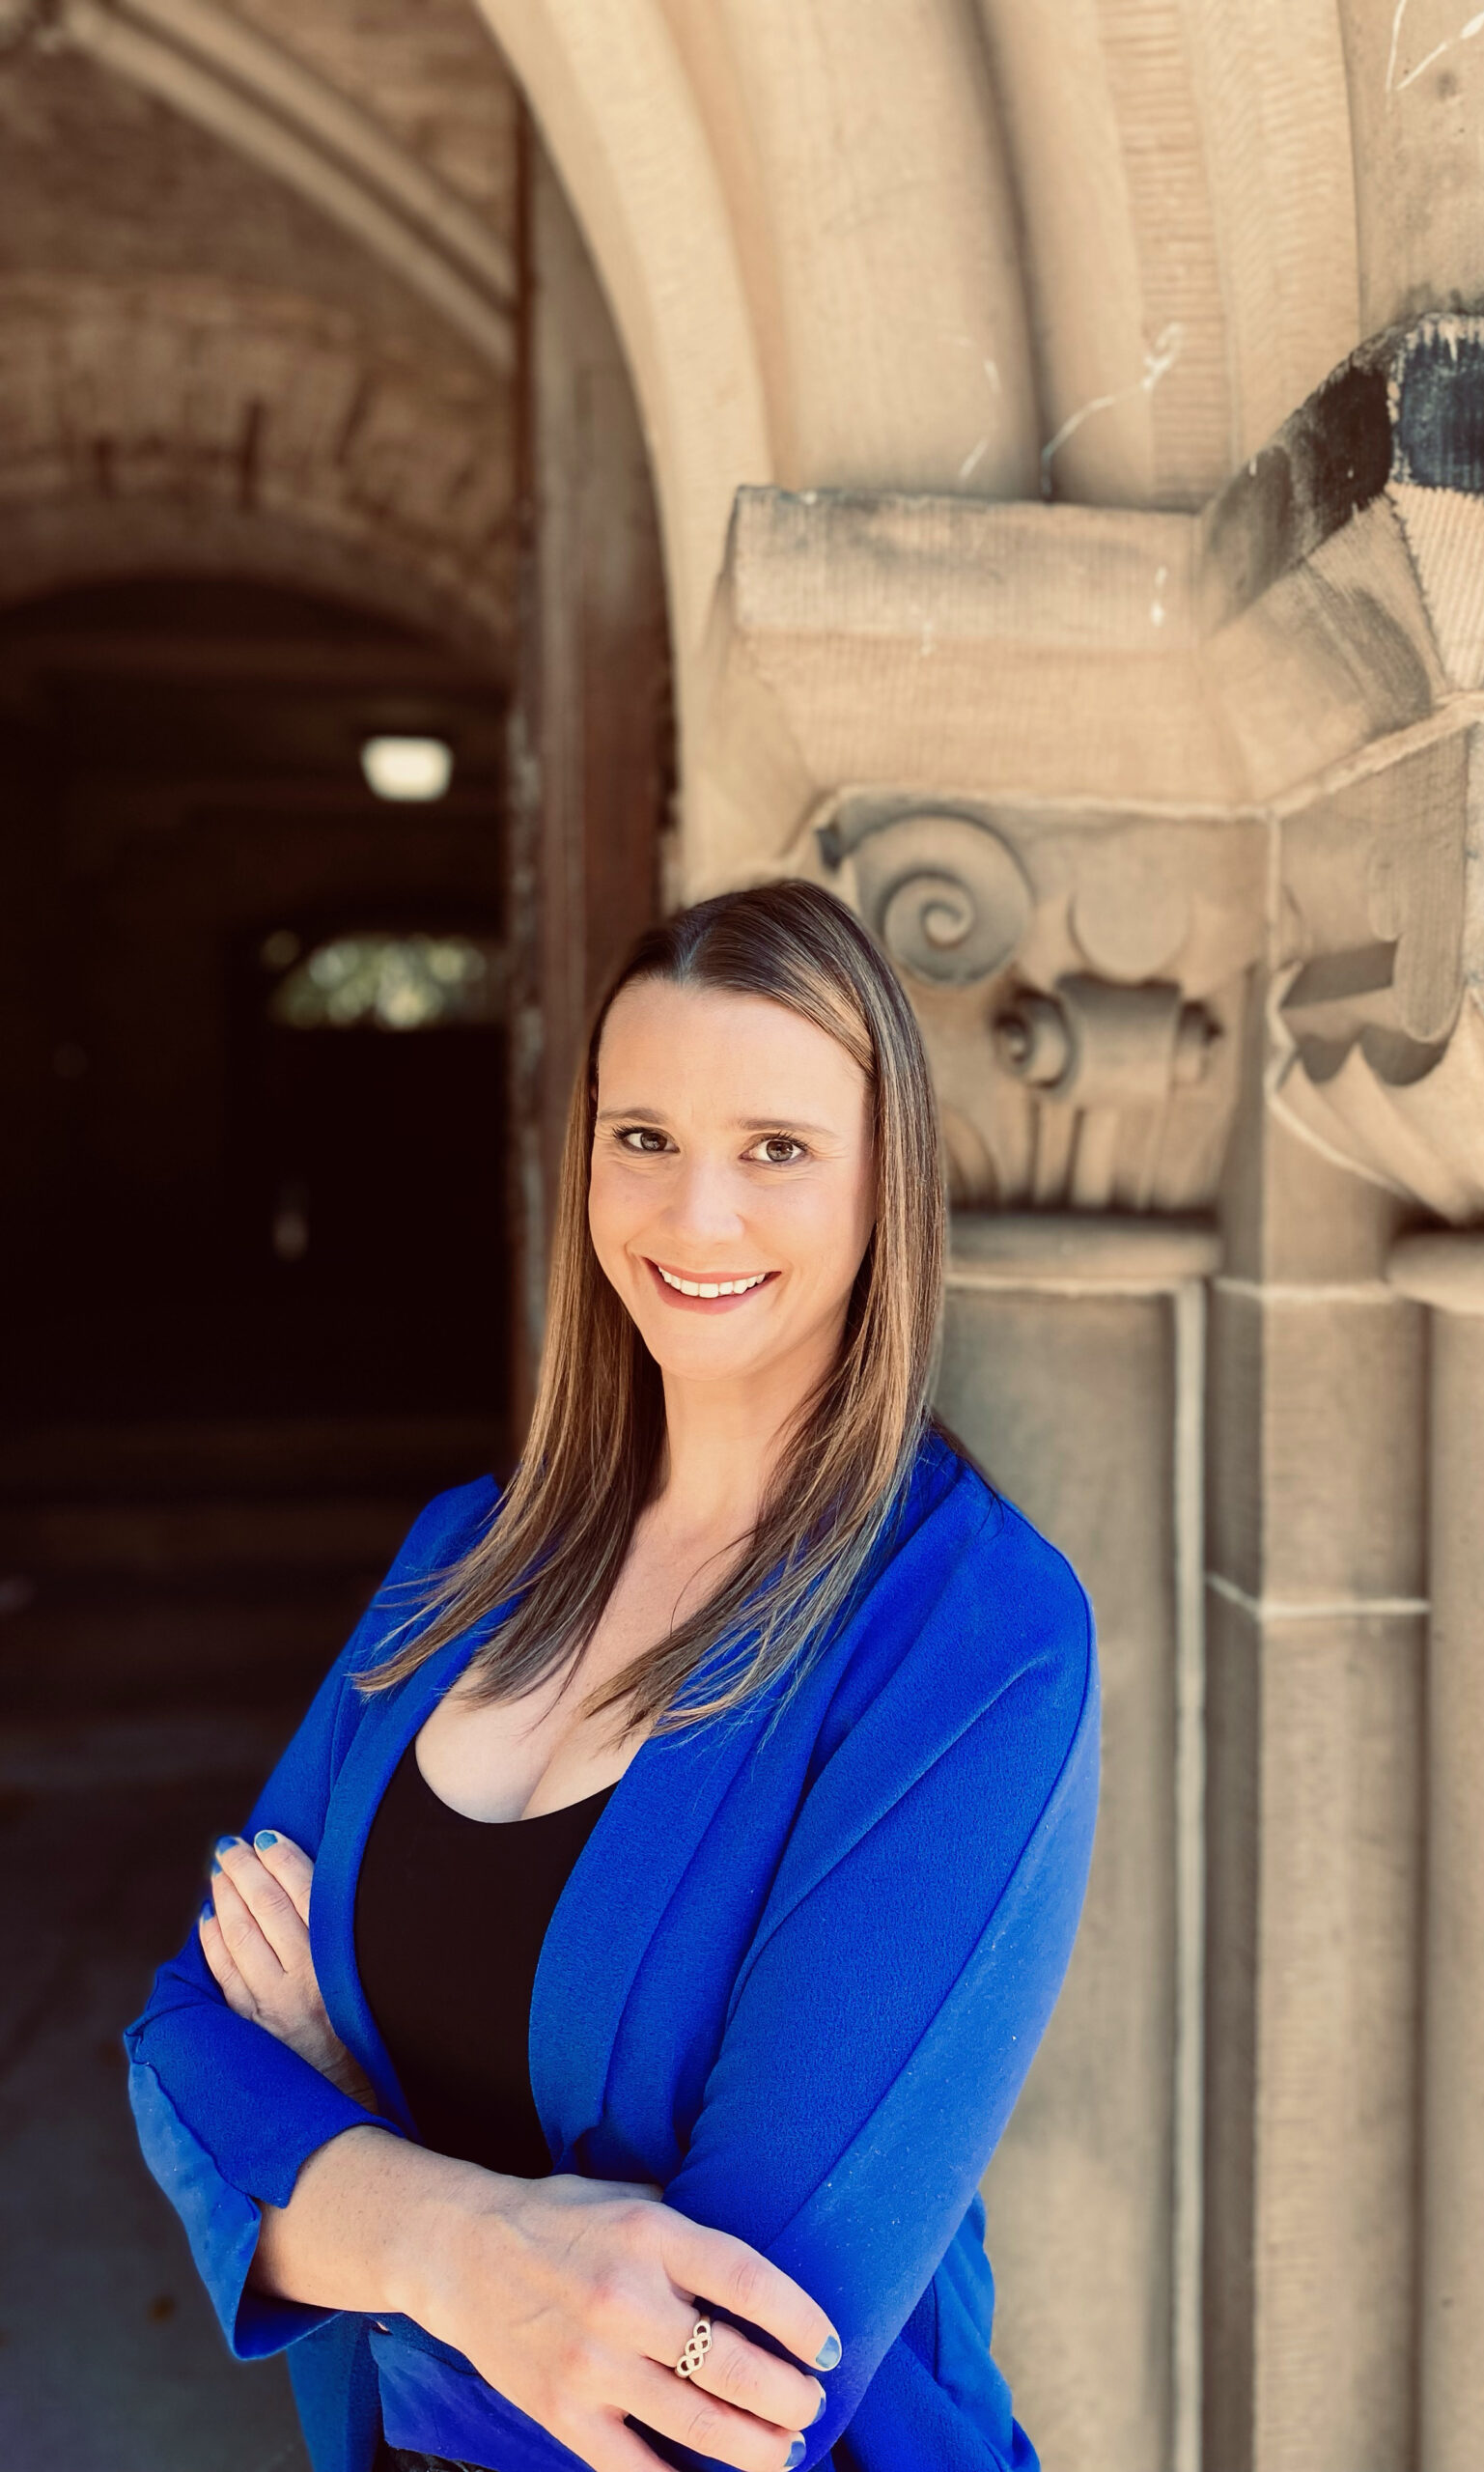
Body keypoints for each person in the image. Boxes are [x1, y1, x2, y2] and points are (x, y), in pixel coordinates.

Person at [126, 880, 1100, 2472]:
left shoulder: (973, 1641)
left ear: (883, 1187)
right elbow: (181, 2050)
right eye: (642, 1137)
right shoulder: (461, 1560)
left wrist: (336, 2129)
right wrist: (471, 2251)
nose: (693, 1216)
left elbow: (727, 2376)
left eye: (775, 1150)